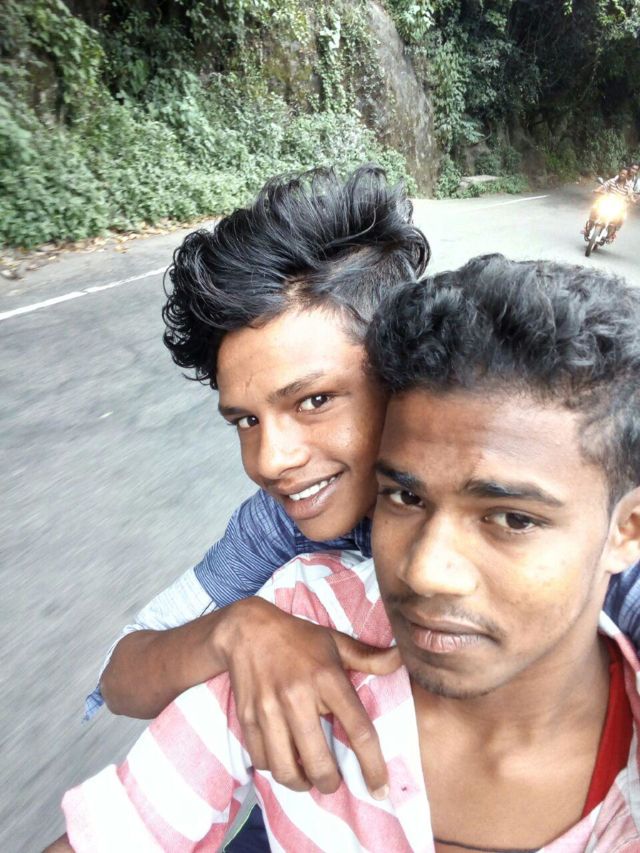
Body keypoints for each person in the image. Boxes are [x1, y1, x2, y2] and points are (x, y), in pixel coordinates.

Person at [47, 254, 640, 851]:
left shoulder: (608, 563)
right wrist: (237, 630)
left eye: (315, 400)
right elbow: (123, 674)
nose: (270, 461)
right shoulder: (287, 548)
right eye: (246, 420)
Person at [582, 167, 634, 240]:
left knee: (622, 217)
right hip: (607, 201)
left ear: (627, 176)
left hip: (618, 205)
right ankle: (588, 228)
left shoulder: (628, 186)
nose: (622, 175)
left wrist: (632, 200)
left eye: (624, 174)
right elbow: (604, 186)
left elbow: (630, 195)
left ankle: (612, 234)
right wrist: (597, 190)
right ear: (619, 173)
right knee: (594, 208)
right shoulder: (612, 181)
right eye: (621, 173)